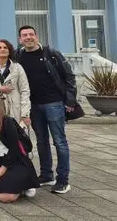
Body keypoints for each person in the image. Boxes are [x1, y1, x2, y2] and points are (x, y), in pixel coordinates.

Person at [17, 25, 76, 194]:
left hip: (54, 103)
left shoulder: (51, 53)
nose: (28, 37)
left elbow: (69, 76)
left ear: (36, 36)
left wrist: (70, 100)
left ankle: (63, 180)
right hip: (33, 105)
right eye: (24, 35)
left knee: (59, 141)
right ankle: (46, 175)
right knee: (41, 141)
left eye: (30, 34)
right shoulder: (19, 55)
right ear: (20, 39)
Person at [0, 92, 40, 203]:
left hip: (14, 160)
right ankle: (7, 184)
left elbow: (15, 148)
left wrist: (2, 170)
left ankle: (24, 186)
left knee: (4, 197)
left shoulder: (6, 121)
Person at [0, 39, 31, 126]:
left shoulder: (17, 68)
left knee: (18, 137)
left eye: (5, 47)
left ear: (9, 51)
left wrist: (25, 114)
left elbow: (25, 91)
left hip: (16, 109)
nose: (2, 49)